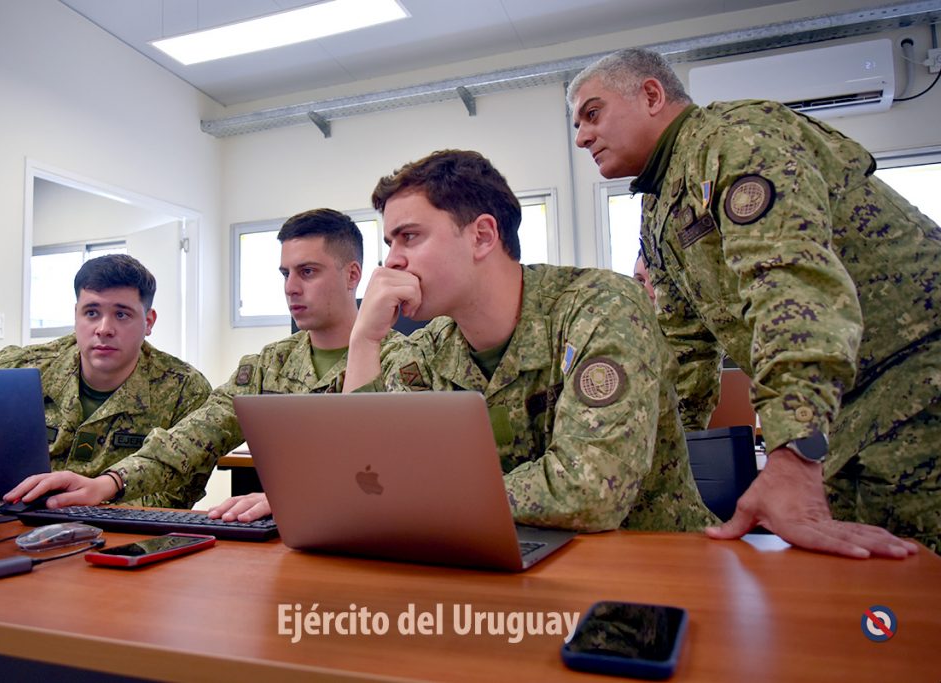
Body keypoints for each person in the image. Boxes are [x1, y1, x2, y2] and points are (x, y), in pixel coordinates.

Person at [568, 47, 936, 556]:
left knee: (917, 581)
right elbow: (683, 352)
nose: (582, 137)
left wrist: (793, 451)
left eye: (592, 113)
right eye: (578, 125)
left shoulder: (734, 140)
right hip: (846, 416)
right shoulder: (659, 206)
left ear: (651, 95)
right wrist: (631, 460)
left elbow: (791, 284)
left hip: (917, 383)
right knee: (860, 580)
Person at [344, 149, 714, 533]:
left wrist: (427, 497)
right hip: (497, 558)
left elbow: (590, 489)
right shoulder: (429, 351)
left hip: (647, 559)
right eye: (390, 243)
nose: (392, 261)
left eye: (409, 237)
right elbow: (366, 480)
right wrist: (364, 340)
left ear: (482, 236)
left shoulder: (601, 308)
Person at [6, 208, 371, 520]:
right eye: (285, 274)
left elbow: (383, 469)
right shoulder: (268, 365)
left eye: (307, 272)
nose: (290, 287)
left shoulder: (395, 359)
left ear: (352, 275)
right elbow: (194, 436)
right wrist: (110, 483)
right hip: (292, 540)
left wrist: (300, 499)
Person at [0, 254, 212, 508]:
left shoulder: (185, 390)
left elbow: (172, 497)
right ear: (76, 315)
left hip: (118, 530)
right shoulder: (21, 368)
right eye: (91, 313)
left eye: (121, 315)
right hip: (15, 521)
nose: (104, 329)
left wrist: (87, 505)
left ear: (148, 322)